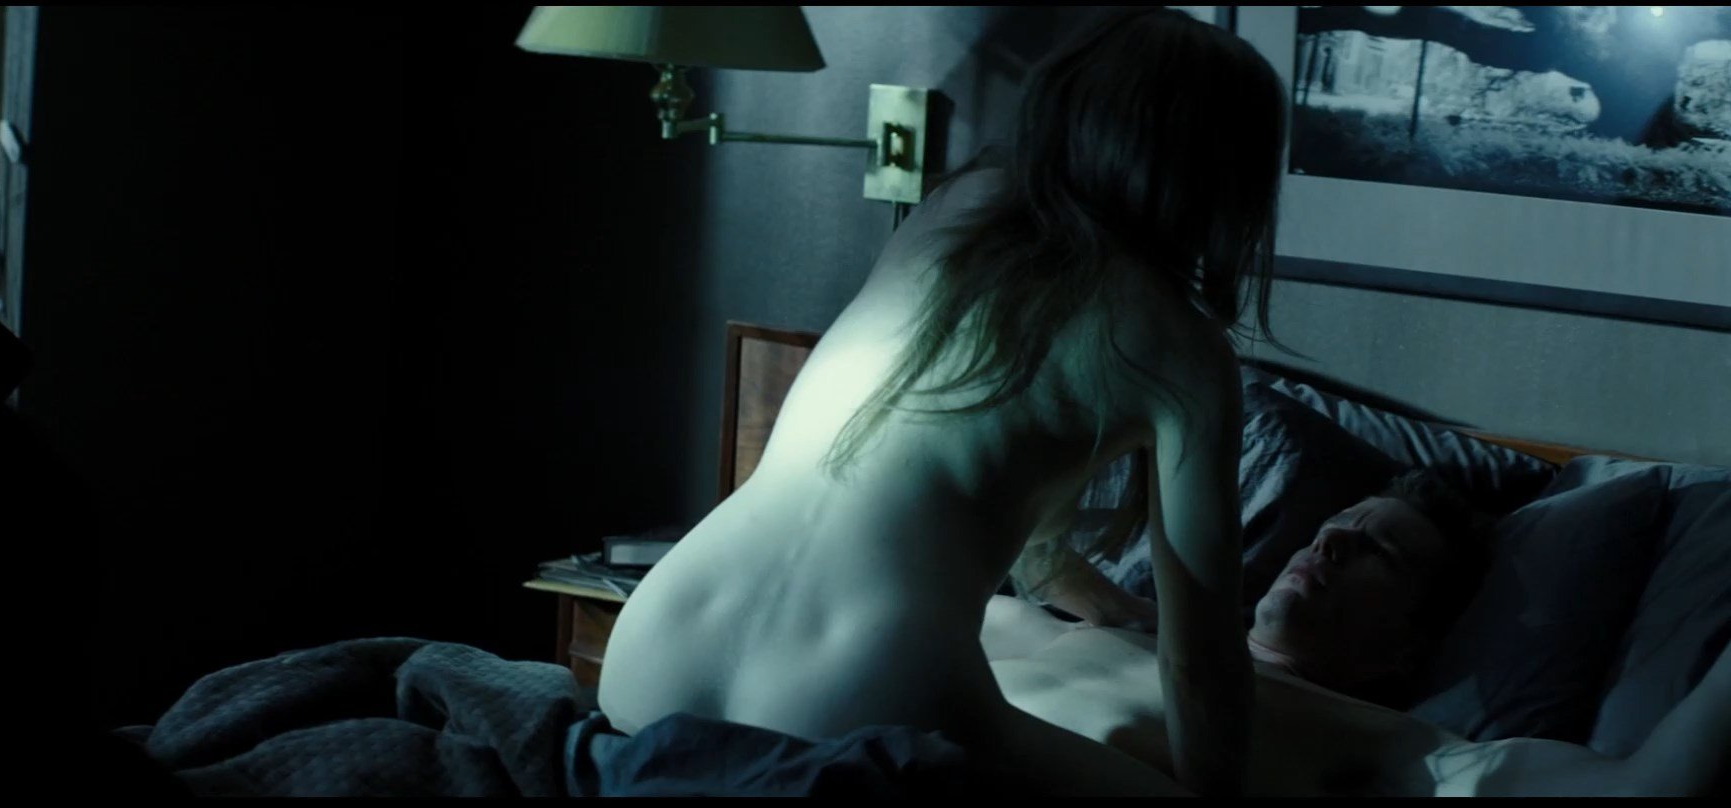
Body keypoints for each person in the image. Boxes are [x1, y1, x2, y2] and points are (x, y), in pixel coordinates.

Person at [598, 7, 1288, 797]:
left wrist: (1099, 601)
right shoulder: (1181, 351)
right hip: (857, 687)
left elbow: (969, 472)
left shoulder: (956, 210)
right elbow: (1200, 666)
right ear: (1223, 175)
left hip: (660, 637)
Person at [981, 471, 1731, 797]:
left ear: (1408, 646)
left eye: (1380, 551)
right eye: (1335, 527)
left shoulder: (1395, 746)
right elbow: (988, 576)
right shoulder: (1136, 626)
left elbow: (1647, 789)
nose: (1331, 542)